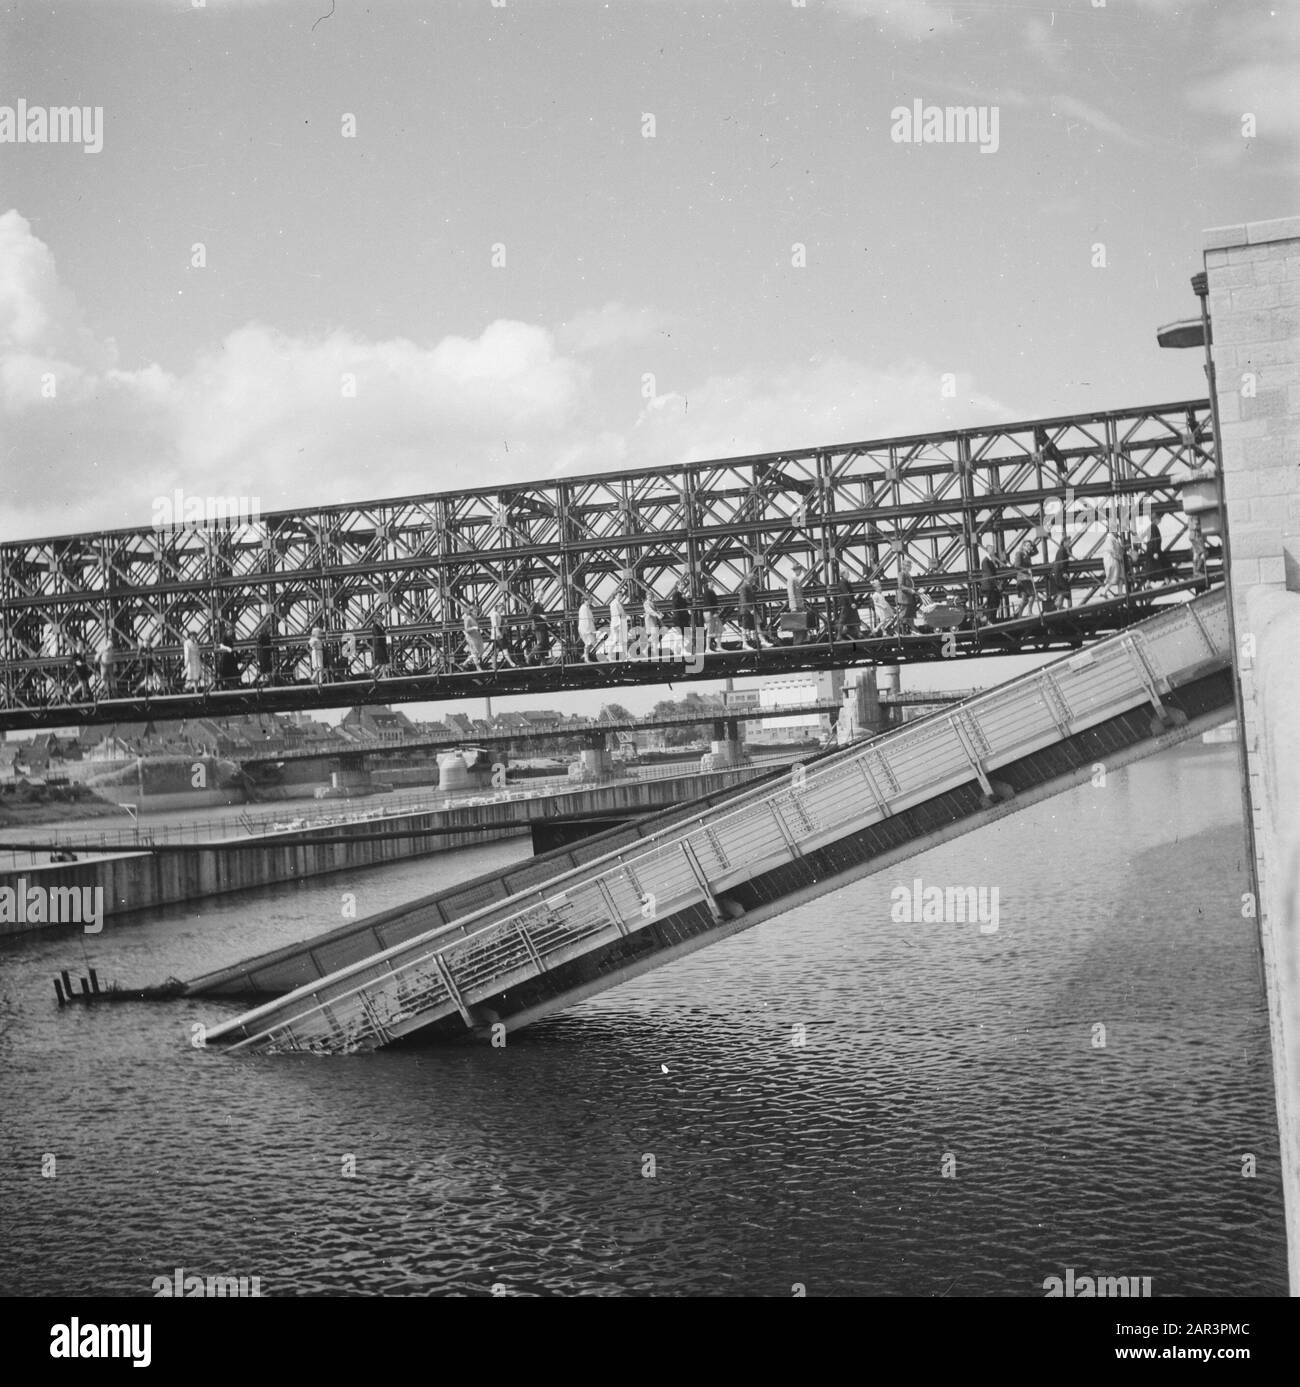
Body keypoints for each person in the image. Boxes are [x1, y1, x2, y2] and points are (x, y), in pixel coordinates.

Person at [1012, 542, 1038, 618]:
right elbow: (1017, 566)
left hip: (1027, 578)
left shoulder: (1027, 554)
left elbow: (1036, 552)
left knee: (1025, 599)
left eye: (1030, 546)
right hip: (1023, 578)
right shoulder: (1019, 553)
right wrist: (1027, 570)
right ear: (1023, 546)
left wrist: (1033, 544)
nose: (1029, 547)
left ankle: (1018, 614)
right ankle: (1029, 612)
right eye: (1028, 545)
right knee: (1032, 596)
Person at [1047, 539, 1072, 611]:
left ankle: (1058, 606)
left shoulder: (1063, 550)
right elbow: (1061, 562)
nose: (1070, 543)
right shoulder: (1062, 550)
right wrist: (1063, 573)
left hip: (1057, 572)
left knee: (1062, 590)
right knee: (1063, 589)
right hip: (1059, 573)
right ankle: (1057, 606)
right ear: (1064, 542)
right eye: (1068, 542)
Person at [896, 558, 919, 634]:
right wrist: (910, 590)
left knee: (910, 615)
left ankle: (913, 629)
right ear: (904, 566)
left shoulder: (907, 574)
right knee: (904, 614)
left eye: (910, 565)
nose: (910, 567)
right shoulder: (901, 574)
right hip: (904, 598)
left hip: (909, 598)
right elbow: (900, 586)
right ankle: (896, 629)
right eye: (909, 566)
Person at [1102, 524, 1126, 598]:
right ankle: (1104, 591)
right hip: (1113, 560)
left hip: (1117, 560)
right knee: (1113, 577)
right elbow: (1111, 550)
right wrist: (1118, 556)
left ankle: (1120, 592)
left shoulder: (1114, 539)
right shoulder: (1109, 538)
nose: (1117, 531)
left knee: (1120, 577)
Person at [980, 546, 1001, 624]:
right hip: (988, 585)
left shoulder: (990, 560)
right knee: (992, 602)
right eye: (992, 550)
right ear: (988, 550)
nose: (994, 551)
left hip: (991, 585)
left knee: (994, 601)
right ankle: (989, 619)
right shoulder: (986, 561)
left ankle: (990, 619)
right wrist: (997, 584)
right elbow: (990, 574)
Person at [669, 580, 691, 658]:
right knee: (681, 635)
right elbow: (675, 605)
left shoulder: (681, 594)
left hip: (682, 617)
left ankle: (676, 650)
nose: (683, 586)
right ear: (677, 585)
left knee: (681, 635)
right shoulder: (676, 594)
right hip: (679, 618)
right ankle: (682, 650)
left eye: (683, 585)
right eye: (681, 585)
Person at [577, 591, 599, 663]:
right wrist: (588, 631)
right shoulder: (583, 608)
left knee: (590, 643)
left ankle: (585, 656)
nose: (591, 601)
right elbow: (585, 620)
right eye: (590, 600)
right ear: (585, 600)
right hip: (586, 629)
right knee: (590, 643)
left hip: (588, 628)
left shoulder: (587, 608)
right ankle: (586, 657)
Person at [608, 589, 629, 660]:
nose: (620, 596)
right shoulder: (614, 603)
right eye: (619, 595)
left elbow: (622, 613)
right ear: (615, 595)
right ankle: (609, 654)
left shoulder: (618, 603)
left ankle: (625, 655)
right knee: (616, 640)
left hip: (619, 623)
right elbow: (616, 615)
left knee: (622, 640)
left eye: (621, 595)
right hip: (616, 624)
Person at [643, 589, 661, 659]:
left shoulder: (653, 603)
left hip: (653, 620)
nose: (649, 596)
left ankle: (646, 650)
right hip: (650, 621)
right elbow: (650, 611)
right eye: (648, 595)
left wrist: (660, 613)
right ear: (646, 596)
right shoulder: (646, 603)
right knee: (654, 636)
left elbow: (656, 610)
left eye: (651, 595)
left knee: (654, 636)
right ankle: (655, 652)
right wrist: (657, 615)